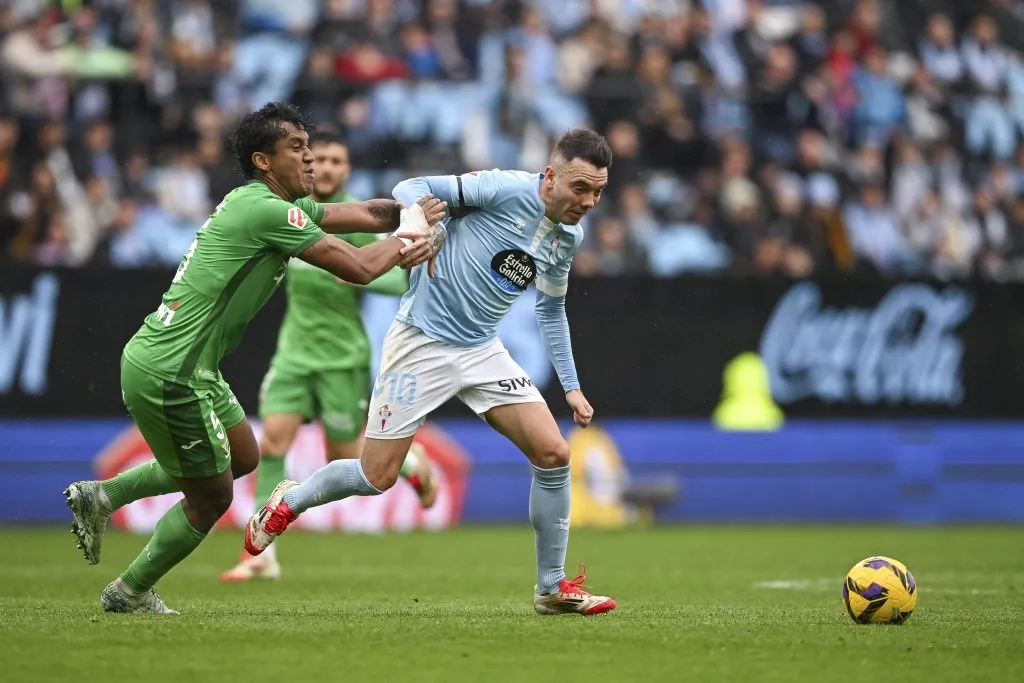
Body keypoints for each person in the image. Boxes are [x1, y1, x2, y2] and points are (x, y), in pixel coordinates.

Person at [63, 102, 447, 614]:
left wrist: (411, 210)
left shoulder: (264, 203)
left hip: (189, 366)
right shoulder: (268, 211)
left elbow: (356, 214)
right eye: (297, 149)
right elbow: (357, 265)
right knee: (212, 498)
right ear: (263, 161)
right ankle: (129, 591)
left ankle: (103, 496)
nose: (310, 159)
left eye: (311, 148)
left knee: (244, 457)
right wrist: (409, 238)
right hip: (172, 372)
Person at [245, 128, 618, 616]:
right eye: (580, 188)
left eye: (598, 192)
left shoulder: (569, 236)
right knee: (374, 475)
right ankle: (292, 499)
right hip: (421, 341)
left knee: (553, 453)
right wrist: (422, 228)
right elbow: (410, 188)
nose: (589, 201)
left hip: (483, 350)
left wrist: (570, 386)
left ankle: (551, 588)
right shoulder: (504, 187)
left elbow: (550, 310)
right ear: (550, 177)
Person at [220, 132, 437, 583]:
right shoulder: (291, 213)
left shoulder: (356, 218)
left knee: (345, 454)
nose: (328, 167)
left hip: (342, 357)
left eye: (338, 160)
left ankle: (410, 463)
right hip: (294, 353)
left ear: (348, 170)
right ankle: (260, 556)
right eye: (319, 159)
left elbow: (401, 281)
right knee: (273, 442)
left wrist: (357, 276)